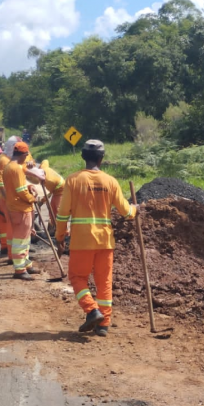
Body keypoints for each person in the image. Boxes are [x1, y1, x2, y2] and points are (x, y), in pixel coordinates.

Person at [55, 140, 137, 337]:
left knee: (77, 277)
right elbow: (126, 212)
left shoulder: (73, 180)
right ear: (102, 158)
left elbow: (62, 213)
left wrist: (60, 235)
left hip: (81, 241)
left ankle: (92, 310)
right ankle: (104, 324)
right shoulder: (110, 181)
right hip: (105, 241)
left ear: (83, 157)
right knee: (104, 282)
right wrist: (136, 209)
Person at [3, 142, 37, 280]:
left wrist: (29, 186)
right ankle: (19, 270)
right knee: (20, 240)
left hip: (17, 206)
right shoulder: (15, 169)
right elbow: (20, 191)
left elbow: (20, 184)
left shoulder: (12, 166)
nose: (27, 158)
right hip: (20, 208)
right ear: (23, 154)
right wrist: (32, 198)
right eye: (26, 156)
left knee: (26, 238)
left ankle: (26, 264)